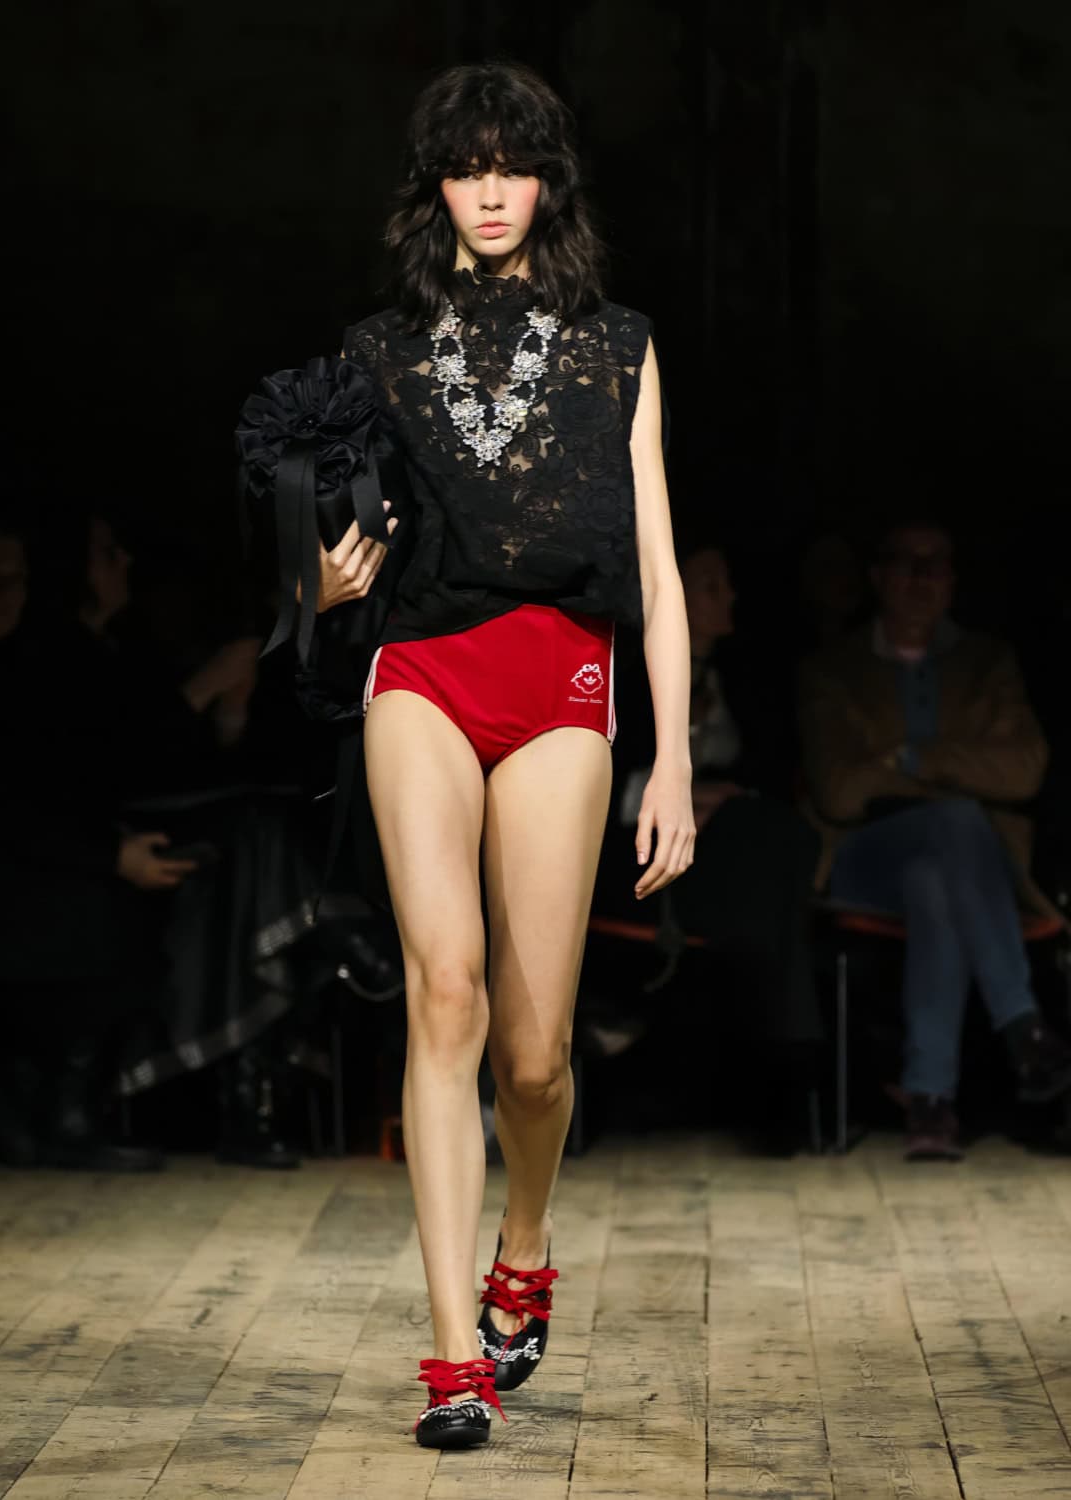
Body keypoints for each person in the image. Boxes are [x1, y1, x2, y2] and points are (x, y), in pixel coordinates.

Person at [287, 62, 696, 1447]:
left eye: (511, 165)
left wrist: (673, 760)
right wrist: (314, 587)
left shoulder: (620, 346)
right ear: (437, 189)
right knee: (445, 993)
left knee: (532, 1058)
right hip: (423, 671)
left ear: (546, 182)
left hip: (563, 680)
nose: (491, 191)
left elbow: (657, 569)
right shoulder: (376, 351)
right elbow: (318, 545)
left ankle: (524, 1244)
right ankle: (453, 1356)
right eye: (466, 168)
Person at [797, 515, 1071, 1160]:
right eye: (906, 562)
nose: (921, 578)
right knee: (956, 821)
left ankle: (929, 1102)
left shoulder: (987, 662)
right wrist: (959, 776)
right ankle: (1023, 1025)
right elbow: (839, 790)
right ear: (878, 576)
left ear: (953, 579)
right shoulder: (833, 668)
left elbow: (1024, 769)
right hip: (865, 856)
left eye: (936, 563)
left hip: (973, 868)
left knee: (935, 877)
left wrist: (909, 760)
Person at [598, 540, 822, 1150]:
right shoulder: (623, 677)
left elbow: (776, 774)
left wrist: (721, 797)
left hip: (736, 853)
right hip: (642, 855)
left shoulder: (748, 681)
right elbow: (596, 781)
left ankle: (777, 1066)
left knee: (773, 842)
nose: (729, 597)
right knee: (773, 868)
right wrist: (673, 796)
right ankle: (790, 1066)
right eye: (709, 585)